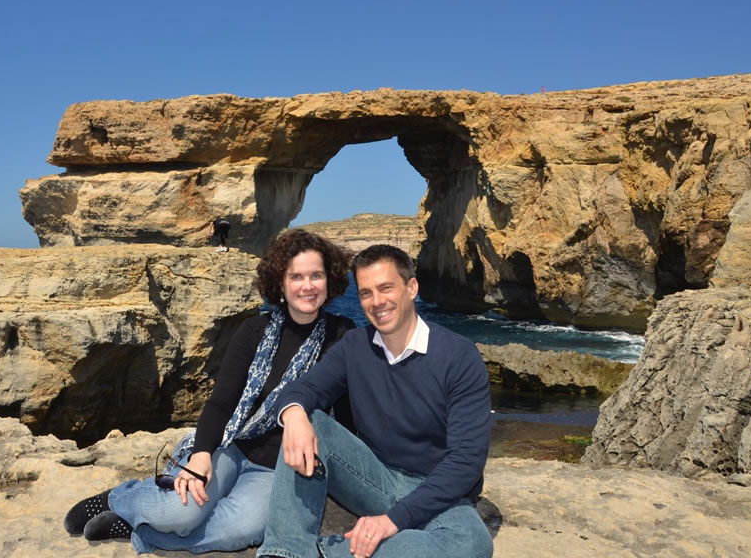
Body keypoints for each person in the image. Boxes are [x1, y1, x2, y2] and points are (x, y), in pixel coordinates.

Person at [63, 229, 357, 554]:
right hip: (231, 446)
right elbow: (220, 403)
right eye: (296, 276)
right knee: (181, 511)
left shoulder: (343, 335)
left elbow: (348, 414)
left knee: (239, 529)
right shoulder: (254, 331)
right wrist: (202, 454)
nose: (307, 286)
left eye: (316, 275)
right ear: (280, 282)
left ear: (329, 279)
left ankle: (142, 529)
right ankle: (122, 497)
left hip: (278, 469)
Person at [257, 244, 493, 558]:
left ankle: (327, 553)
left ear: (412, 288)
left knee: (471, 544)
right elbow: (302, 389)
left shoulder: (459, 356)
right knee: (307, 419)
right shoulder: (354, 346)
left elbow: (465, 461)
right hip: (372, 477)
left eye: (386, 288)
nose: (376, 302)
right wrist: (295, 416)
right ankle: (285, 551)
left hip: (437, 492)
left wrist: (393, 521)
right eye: (366, 293)